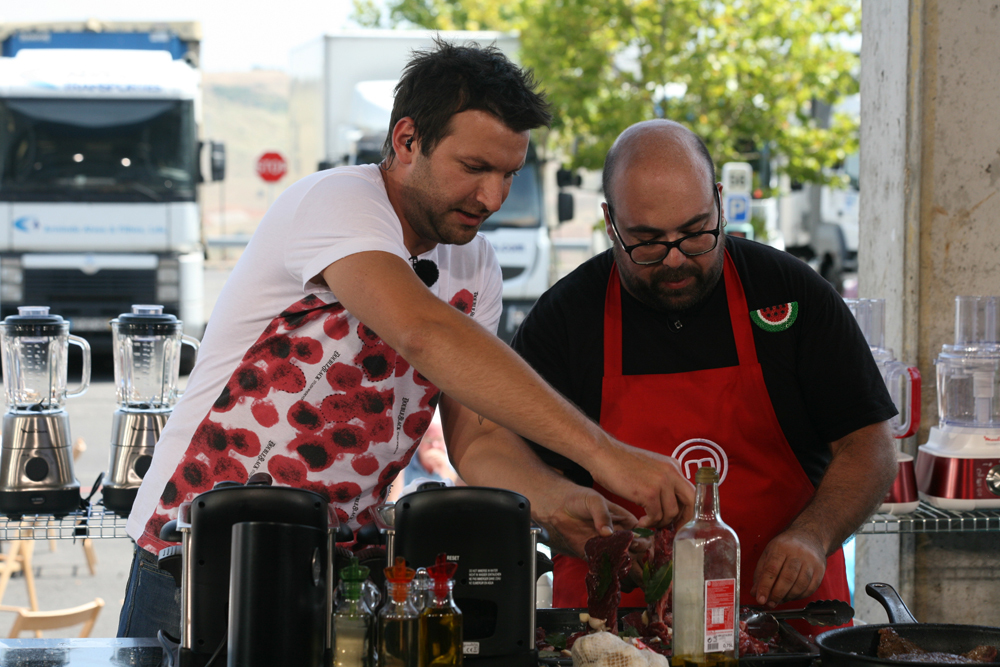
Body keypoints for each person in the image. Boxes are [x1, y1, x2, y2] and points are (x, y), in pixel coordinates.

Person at [118, 42, 693, 639]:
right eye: (474, 168)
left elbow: (479, 438)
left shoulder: (477, 265)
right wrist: (605, 455)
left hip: (333, 569)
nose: (492, 198)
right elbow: (424, 332)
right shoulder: (339, 202)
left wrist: (553, 499)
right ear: (406, 140)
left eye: (508, 174)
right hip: (198, 554)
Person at [506, 119, 898, 618]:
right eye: (646, 242)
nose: (674, 260)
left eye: (695, 233)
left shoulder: (790, 294)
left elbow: (869, 445)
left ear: (718, 200)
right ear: (610, 222)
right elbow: (513, 464)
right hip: (617, 632)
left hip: (782, 622)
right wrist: (568, 519)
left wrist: (813, 535)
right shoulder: (565, 319)